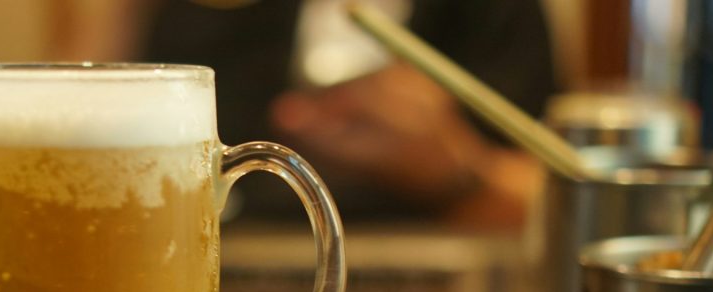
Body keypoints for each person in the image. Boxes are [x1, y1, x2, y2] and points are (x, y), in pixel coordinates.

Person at [55, 0, 559, 228]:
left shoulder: (491, 14)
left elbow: (552, 197)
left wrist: (456, 170)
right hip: (209, 281)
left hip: (418, 285)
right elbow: (67, 152)